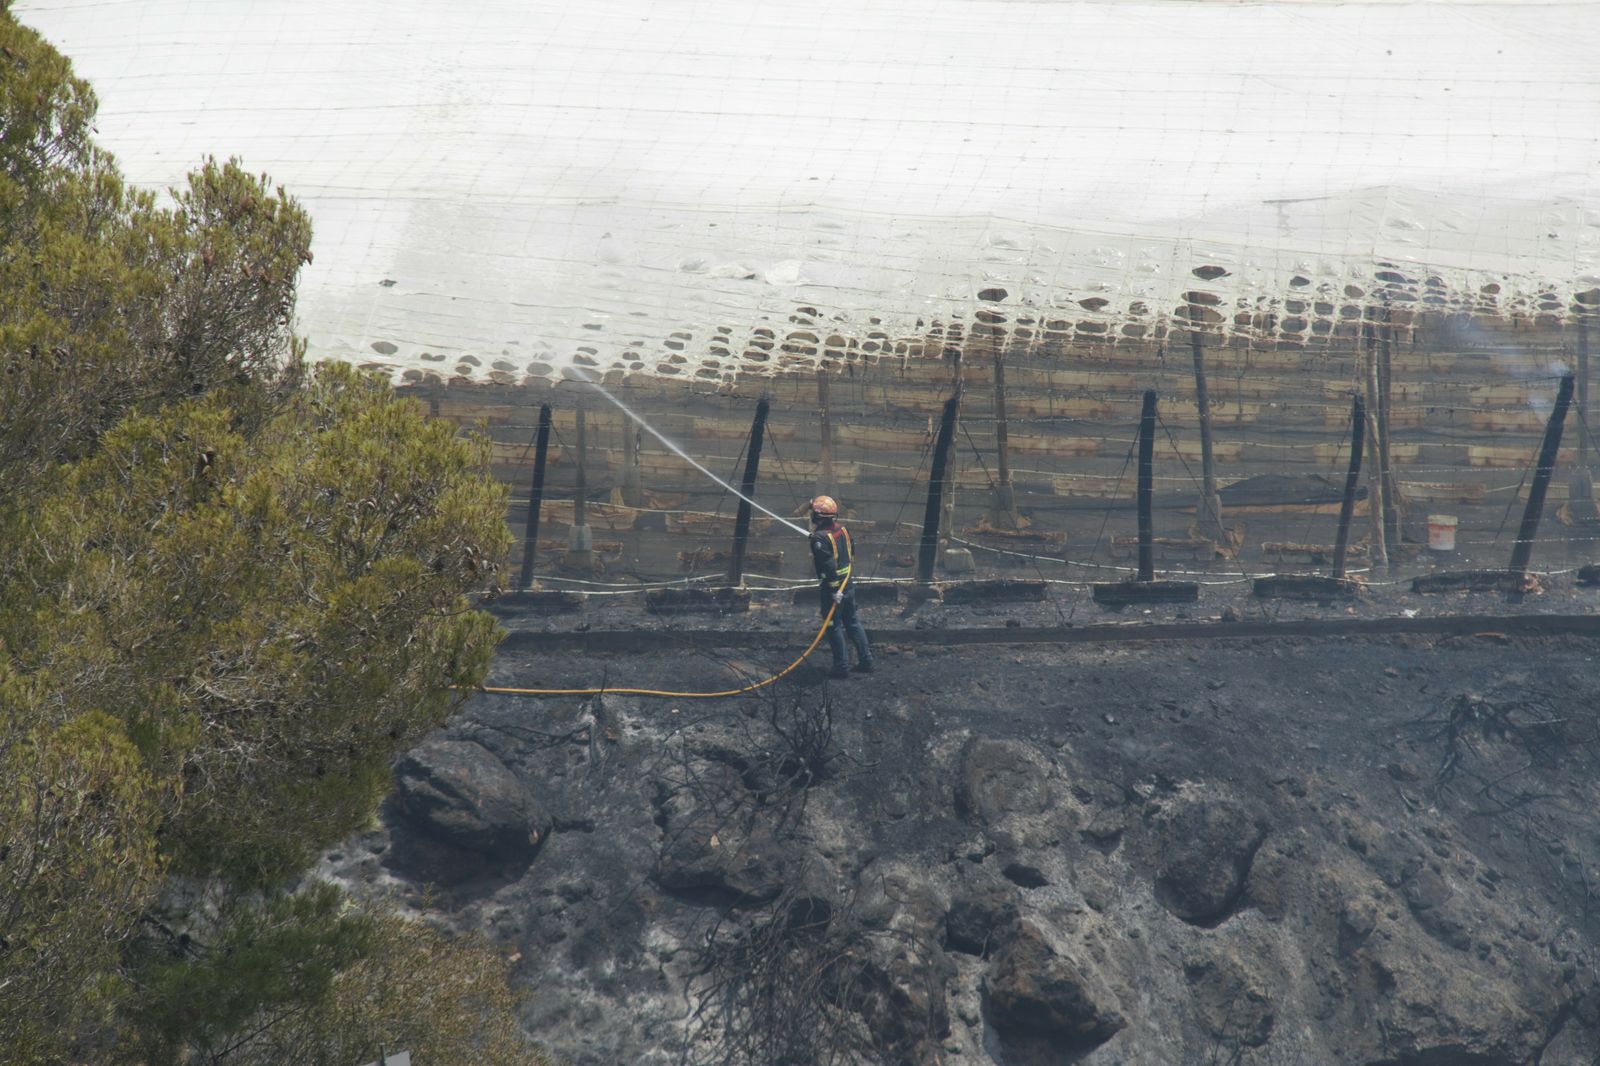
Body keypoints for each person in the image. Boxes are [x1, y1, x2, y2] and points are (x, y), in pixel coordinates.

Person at [807, 494, 874, 679]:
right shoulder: (842, 529)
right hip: (848, 586)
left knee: (833, 626)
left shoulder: (819, 538)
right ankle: (866, 661)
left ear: (818, 516)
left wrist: (834, 590)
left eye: (813, 513)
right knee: (852, 622)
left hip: (833, 591)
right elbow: (851, 550)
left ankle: (841, 667)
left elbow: (828, 566)